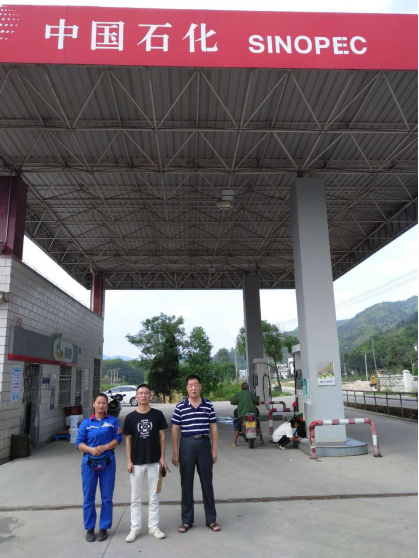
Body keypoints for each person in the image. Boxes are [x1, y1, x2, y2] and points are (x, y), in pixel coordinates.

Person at [171, 374, 221, 534]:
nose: (193, 388)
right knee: (186, 484)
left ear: (200, 386)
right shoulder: (180, 406)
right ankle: (187, 520)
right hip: (186, 445)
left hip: (204, 445)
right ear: (187, 388)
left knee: (207, 483)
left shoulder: (208, 405)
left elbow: (213, 427)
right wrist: (175, 452)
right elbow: (175, 429)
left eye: (196, 385)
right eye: (190, 385)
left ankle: (211, 519)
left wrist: (214, 450)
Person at [123, 383, 168, 542]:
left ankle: (153, 527)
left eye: (146, 393)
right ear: (136, 397)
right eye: (140, 393)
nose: (143, 395)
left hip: (154, 461)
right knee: (135, 498)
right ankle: (134, 529)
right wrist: (129, 461)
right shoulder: (130, 417)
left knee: (154, 496)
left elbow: (162, 437)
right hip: (136, 462)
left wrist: (162, 458)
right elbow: (128, 440)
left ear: (150, 396)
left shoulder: (157, 415)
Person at [76, 392, 122, 542]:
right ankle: (90, 528)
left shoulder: (113, 421)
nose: (101, 405)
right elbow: (79, 443)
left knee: (107, 497)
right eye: (99, 403)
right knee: (88, 497)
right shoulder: (86, 423)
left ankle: (104, 527)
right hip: (89, 463)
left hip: (108, 462)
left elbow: (118, 438)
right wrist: (91, 450)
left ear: (107, 405)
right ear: (93, 404)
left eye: (104, 403)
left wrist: (105, 447)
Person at [230, 382, 265, 447]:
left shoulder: (239, 394)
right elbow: (257, 400)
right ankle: (262, 441)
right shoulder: (251, 393)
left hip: (242, 415)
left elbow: (232, 401)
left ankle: (234, 442)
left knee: (238, 427)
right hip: (252, 414)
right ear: (247, 388)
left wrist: (236, 402)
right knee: (257, 426)